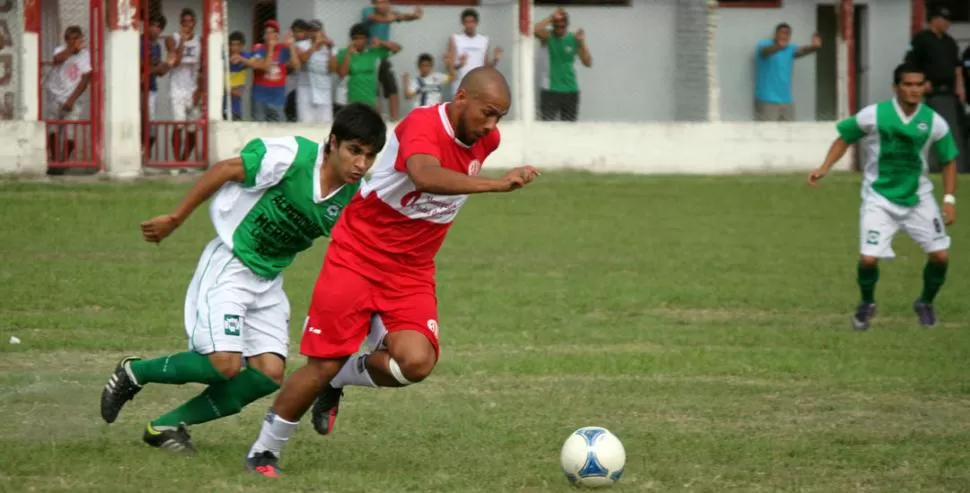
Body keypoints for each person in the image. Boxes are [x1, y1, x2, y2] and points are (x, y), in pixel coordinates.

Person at [243, 67, 541, 477]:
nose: (492, 125)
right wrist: (496, 186)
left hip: (412, 270)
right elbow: (424, 175)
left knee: (415, 363)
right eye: (487, 113)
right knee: (320, 364)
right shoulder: (422, 124)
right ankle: (264, 450)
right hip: (358, 255)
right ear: (461, 99)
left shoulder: (486, 139)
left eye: (499, 117)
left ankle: (339, 380)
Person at [98, 103, 387, 455]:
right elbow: (225, 169)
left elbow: (364, 255)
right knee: (225, 364)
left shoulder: (351, 199)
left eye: (369, 156)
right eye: (354, 151)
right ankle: (135, 373)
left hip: (268, 281)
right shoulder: (292, 156)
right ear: (332, 143)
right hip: (231, 263)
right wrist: (175, 218)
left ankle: (165, 426)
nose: (360, 164)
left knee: (268, 374)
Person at [807, 63, 958, 330]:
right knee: (868, 259)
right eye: (908, 84)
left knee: (941, 257)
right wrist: (824, 166)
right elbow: (845, 137)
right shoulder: (875, 114)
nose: (914, 90)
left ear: (925, 87)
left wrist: (948, 199)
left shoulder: (933, 121)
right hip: (880, 198)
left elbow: (949, 160)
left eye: (918, 85)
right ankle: (867, 304)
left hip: (918, 197)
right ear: (896, 87)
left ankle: (925, 302)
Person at [906, 6, 966, 173]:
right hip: (930, 92)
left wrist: (960, 88)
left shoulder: (950, 42)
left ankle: (953, 165)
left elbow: (957, 68)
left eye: (948, 20)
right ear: (934, 20)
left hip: (949, 92)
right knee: (928, 128)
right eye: (943, 19)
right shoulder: (922, 40)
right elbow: (911, 64)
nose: (947, 23)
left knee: (950, 129)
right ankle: (930, 165)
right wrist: (920, 83)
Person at [361, 0, 423, 120]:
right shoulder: (368, 11)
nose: (382, 5)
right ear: (374, 4)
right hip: (369, 57)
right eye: (378, 3)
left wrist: (415, 16)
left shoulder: (390, 14)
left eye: (384, 2)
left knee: (392, 88)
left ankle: (394, 120)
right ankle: (376, 120)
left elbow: (403, 16)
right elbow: (376, 18)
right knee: (375, 91)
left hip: (384, 57)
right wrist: (393, 18)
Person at [45, 25, 91, 174]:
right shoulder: (61, 50)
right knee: (53, 130)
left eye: (79, 37)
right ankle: (54, 161)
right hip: (55, 96)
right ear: (66, 40)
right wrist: (71, 48)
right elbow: (57, 60)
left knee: (70, 132)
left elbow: (85, 79)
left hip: (74, 99)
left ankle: (63, 163)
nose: (78, 41)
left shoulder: (85, 55)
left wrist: (71, 100)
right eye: (73, 38)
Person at [753, 23, 821, 122]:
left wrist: (814, 47)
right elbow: (766, 51)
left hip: (786, 101)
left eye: (788, 33)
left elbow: (801, 51)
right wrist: (779, 46)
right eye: (782, 33)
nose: (785, 35)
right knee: (766, 134)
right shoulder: (764, 45)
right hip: (767, 100)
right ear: (776, 34)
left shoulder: (790, 48)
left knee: (790, 134)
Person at [533, 8, 592, 122]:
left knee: (569, 130)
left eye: (562, 26)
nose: (559, 29)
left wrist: (583, 42)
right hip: (550, 90)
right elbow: (534, 30)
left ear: (566, 25)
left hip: (571, 90)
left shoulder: (574, 38)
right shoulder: (548, 37)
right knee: (547, 128)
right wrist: (551, 18)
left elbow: (588, 62)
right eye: (556, 26)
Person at [166, 8, 203, 162]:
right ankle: (176, 162)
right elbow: (175, 62)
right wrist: (182, 40)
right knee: (178, 126)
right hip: (177, 89)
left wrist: (199, 91)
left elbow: (203, 69)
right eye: (184, 21)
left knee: (192, 129)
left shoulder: (200, 41)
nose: (187, 24)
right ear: (180, 23)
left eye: (190, 21)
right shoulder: (172, 38)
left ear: (195, 23)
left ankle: (184, 160)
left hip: (193, 88)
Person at [337, 23, 401, 109]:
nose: (358, 41)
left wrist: (381, 42)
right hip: (353, 99)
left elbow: (397, 48)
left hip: (371, 100)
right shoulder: (345, 52)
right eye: (355, 38)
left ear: (366, 39)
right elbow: (342, 74)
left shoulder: (373, 52)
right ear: (351, 39)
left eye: (361, 38)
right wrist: (348, 54)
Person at [249, 20, 301, 123]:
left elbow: (296, 66)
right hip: (260, 95)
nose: (269, 35)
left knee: (279, 126)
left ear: (277, 35)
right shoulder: (258, 48)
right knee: (259, 126)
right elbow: (265, 67)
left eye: (272, 32)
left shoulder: (283, 49)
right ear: (264, 36)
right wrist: (271, 48)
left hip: (277, 95)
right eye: (267, 33)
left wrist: (291, 46)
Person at [294, 19, 336, 124]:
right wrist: (315, 46)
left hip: (324, 92)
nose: (314, 33)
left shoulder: (329, 46)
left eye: (317, 30)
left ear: (322, 31)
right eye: (312, 30)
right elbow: (302, 60)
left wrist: (330, 50)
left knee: (326, 126)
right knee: (305, 124)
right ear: (308, 32)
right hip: (306, 92)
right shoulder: (301, 45)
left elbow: (333, 69)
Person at [448, 8, 502, 86]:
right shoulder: (455, 39)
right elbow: (450, 67)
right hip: (460, 84)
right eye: (467, 22)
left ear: (476, 23)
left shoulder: (484, 40)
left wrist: (495, 60)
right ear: (463, 23)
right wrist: (460, 65)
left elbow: (486, 67)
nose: (469, 25)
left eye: (472, 22)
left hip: (478, 84)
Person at [142, 14, 169, 154]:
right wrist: (158, 68)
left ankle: (146, 154)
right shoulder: (140, 42)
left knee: (151, 125)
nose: (155, 29)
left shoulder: (157, 46)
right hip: (139, 89)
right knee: (142, 122)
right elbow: (141, 68)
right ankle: (140, 153)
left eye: (159, 27)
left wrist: (166, 65)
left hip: (151, 88)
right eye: (153, 24)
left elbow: (159, 71)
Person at [226, 31, 249, 121]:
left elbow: (258, 64)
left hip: (236, 108)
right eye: (232, 45)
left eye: (238, 45)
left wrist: (242, 59)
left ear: (242, 46)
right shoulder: (222, 58)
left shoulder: (245, 57)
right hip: (221, 107)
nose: (235, 48)